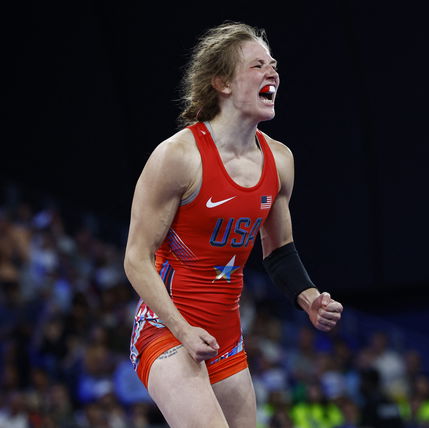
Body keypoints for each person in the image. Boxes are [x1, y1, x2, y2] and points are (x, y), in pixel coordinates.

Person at [123, 21, 343, 427]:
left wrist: (310, 297)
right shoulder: (178, 157)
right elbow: (136, 258)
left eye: (274, 64)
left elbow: (279, 252)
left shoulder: (279, 161)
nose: (272, 72)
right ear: (222, 83)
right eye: (258, 65)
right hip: (167, 330)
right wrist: (184, 330)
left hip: (225, 337)